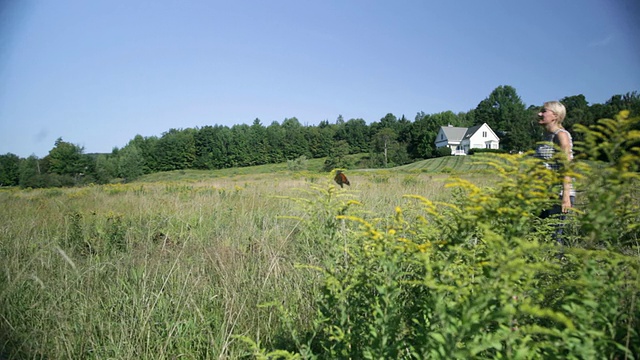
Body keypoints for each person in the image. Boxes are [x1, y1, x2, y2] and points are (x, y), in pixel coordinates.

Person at [534, 101, 575, 246]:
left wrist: (565, 196)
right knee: (539, 235)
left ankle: (558, 265)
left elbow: (566, 167)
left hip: (557, 195)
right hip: (544, 194)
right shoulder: (546, 137)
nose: (540, 114)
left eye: (544, 111)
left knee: (553, 238)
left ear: (555, 116)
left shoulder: (561, 136)